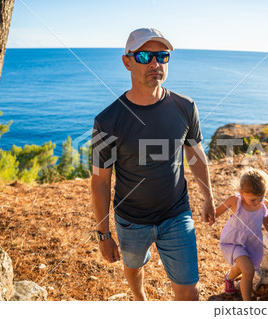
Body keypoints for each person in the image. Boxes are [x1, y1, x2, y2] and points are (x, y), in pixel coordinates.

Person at [90, 27, 215, 301]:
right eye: (145, 55)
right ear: (127, 61)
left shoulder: (185, 106)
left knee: (189, 290)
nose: (155, 63)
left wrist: (208, 197)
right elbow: (100, 180)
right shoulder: (108, 120)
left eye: (162, 56)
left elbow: (195, 155)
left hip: (177, 214)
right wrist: (103, 234)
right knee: (134, 266)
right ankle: (139, 299)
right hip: (131, 221)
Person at [215, 167, 268, 301]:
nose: (257, 202)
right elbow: (216, 212)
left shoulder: (264, 204)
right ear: (241, 192)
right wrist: (209, 217)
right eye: (253, 200)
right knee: (248, 271)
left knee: (241, 268)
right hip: (233, 242)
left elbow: (266, 221)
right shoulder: (235, 201)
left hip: (251, 243)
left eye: (260, 198)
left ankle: (229, 278)